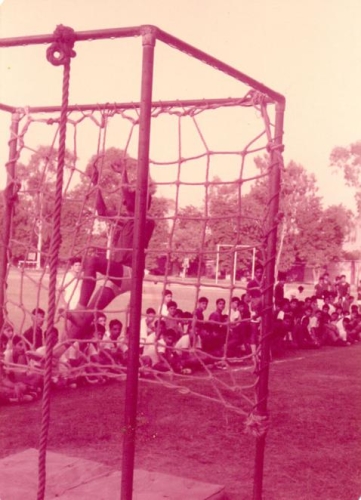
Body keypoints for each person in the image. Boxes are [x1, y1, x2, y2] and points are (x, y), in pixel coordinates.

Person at [67, 160, 155, 336]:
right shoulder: (125, 219)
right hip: (117, 276)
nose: (123, 201)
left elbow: (130, 197)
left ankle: (79, 308)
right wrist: (96, 183)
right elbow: (101, 211)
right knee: (88, 316)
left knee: (91, 261)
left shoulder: (147, 221)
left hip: (130, 273)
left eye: (128, 199)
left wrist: (123, 173)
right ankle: (57, 351)